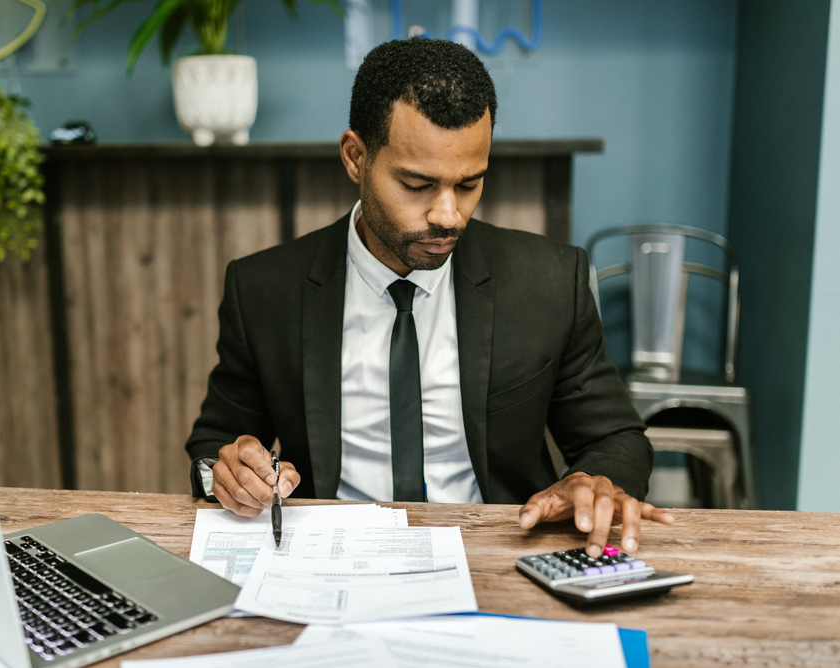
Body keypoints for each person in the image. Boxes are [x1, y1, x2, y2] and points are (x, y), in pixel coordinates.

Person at [186, 37, 673, 558]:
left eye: (469, 184)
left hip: (500, 552)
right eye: (417, 184)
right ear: (356, 157)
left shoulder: (551, 281)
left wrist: (595, 480)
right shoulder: (264, 288)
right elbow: (216, 445)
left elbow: (617, 439)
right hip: (327, 557)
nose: (448, 215)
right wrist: (228, 472)